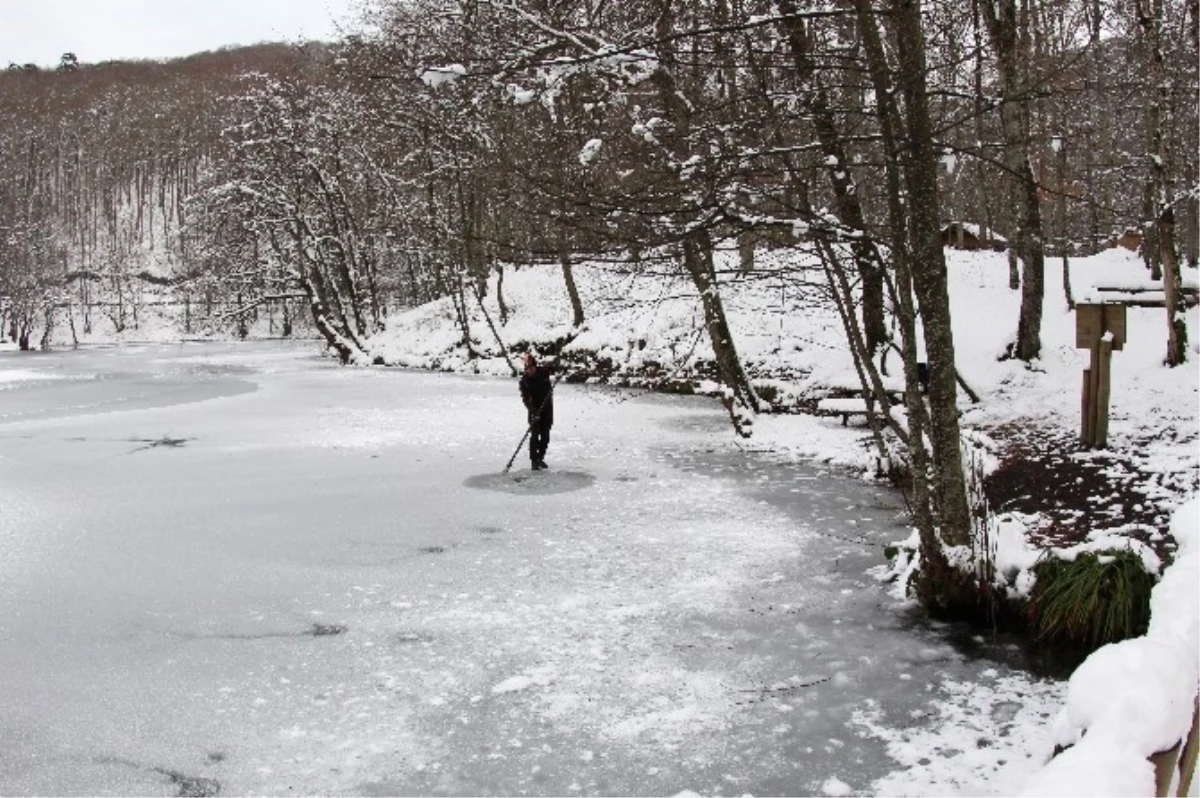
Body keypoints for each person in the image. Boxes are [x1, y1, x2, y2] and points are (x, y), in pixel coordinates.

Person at [519, 352, 555, 470]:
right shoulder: (524, 381)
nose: (530, 371)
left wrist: (558, 370)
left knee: (545, 436)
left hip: (547, 410)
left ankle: (540, 458)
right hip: (534, 411)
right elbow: (525, 398)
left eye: (532, 368)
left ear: (535, 367)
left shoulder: (543, 373)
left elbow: (553, 368)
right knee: (535, 436)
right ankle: (534, 461)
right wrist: (532, 410)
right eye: (528, 369)